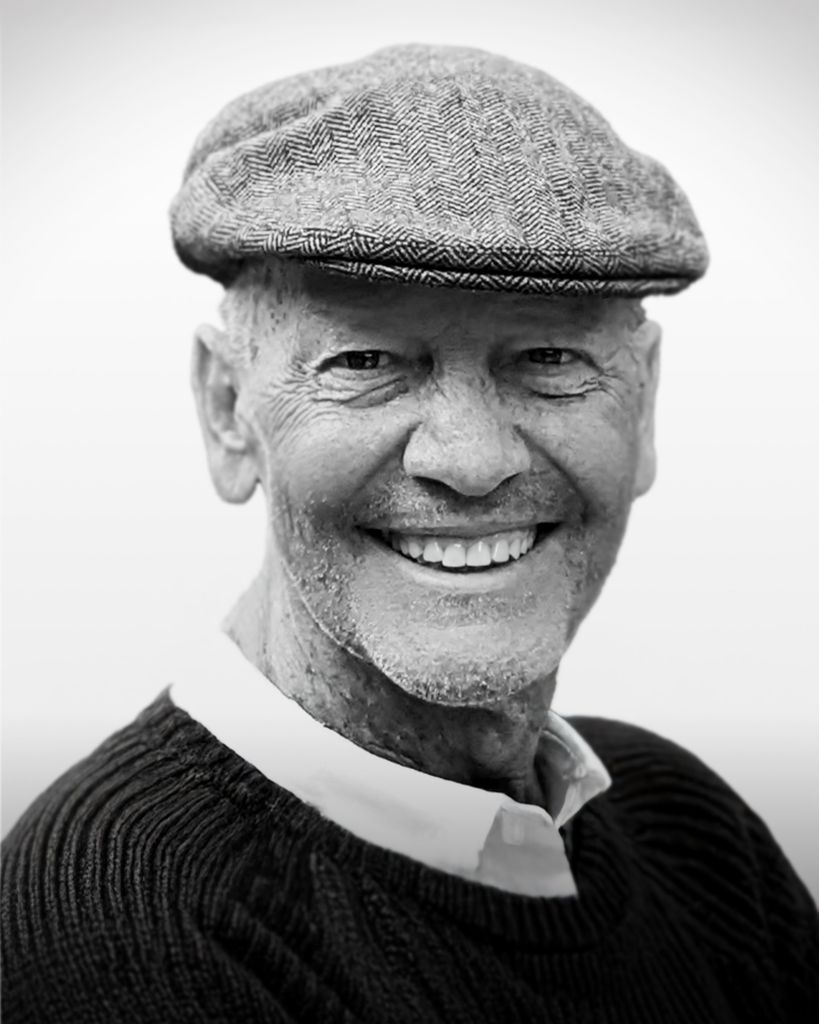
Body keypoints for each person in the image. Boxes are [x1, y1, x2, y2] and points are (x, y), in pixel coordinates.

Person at [2, 43, 817, 1024]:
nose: (470, 460)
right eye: (366, 360)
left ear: (641, 411)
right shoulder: (121, 930)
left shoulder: (686, 830)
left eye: (548, 357)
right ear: (226, 412)